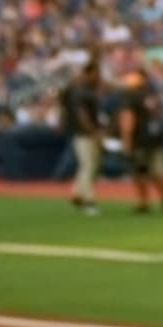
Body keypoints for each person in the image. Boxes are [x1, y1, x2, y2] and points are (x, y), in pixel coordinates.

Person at [118, 69, 163, 214]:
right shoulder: (153, 94)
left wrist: (126, 143)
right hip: (156, 138)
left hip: (140, 140)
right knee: (158, 170)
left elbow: (128, 120)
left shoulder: (130, 96)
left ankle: (144, 201)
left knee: (140, 171)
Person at [60, 60, 106, 215]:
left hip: (88, 132)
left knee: (90, 165)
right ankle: (88, 200)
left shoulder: (87, 90)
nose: (98, 76)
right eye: (96, 73)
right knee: (88, 165)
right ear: (88, 73)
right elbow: (82, 114)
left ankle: (77, 193)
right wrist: (92, 131)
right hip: (83, 133)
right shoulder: (80, 91)